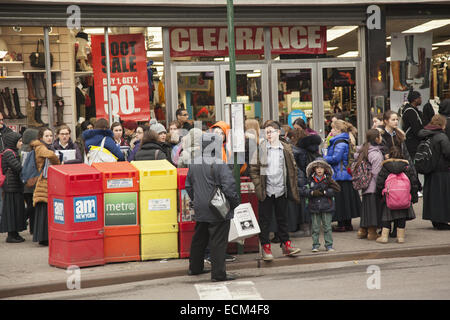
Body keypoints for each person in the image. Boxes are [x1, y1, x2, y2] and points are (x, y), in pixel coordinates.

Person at [185, 133, 240, 282]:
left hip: (200, 207)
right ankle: (218, 274)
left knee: (199, 238)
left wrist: (197, 200)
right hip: (217, 208)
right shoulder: (220, 163)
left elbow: (188, 186)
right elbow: (229, 187)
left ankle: (194, 268)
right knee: (218, 241)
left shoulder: (193, 163)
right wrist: (234, 204)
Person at [249, 121, 301, 261]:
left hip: (281, 189)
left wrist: (291, 185)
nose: (268, 134)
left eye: (271, 131)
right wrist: (259, 187)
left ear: (279, 132)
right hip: (266, 190)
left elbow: (292, 168)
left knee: (282, 219)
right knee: (265, 220)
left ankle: (286, 245)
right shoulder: (261, 148)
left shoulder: (286, 148)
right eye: (266, 132)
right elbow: (253, 169)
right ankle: (266, 247)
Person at [323, 120, 361, 232]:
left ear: (339, 130)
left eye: (333, 128)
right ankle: (347, 224)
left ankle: (342, 225)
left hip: (340, 175)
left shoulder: (339, 143)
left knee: (340, 202)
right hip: (346, 175)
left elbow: (335, 159)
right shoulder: (344, 140)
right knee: (347, 201)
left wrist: (324, 156)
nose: (331, 131)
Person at [375, 146, 418, 243]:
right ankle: (401, 237)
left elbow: (380, 183)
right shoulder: (406, 167)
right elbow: (413, 182)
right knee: (402, 217)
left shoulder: (386, 167)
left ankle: (384, 237)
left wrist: (379, 195)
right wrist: (413, 196)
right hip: (403, 197)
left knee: (387, 216)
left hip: (389, 197)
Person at [300, 158, 341, 252]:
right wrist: (312, 193)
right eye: (317, 168)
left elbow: (337, 189)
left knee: (327, 227)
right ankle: (315, 245)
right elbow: (302, 191)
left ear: (325, 169)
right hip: (314, 207)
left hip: (327, 206)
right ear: (314, 169)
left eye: (321, 168)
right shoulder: (309, 180)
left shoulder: (328, 180)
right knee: (315, 227)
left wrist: (325, 192)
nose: (319, 170)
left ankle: (329, 245)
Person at [418, 115, 450, 230]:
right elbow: (447, 152)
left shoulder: (426, 135)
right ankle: (441, 220)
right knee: (442, 196)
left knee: (432, 196)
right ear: (442, 124)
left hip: (429, 170)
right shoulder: (442, 136)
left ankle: (435, 220)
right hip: (441, 170)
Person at [31, 127, 61, 246]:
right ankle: (43, 237)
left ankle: (45, 236)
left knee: (46, 210)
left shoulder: (48, 147)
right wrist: (58, 159)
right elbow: (50, 156)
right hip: (42, 182)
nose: (49, 138)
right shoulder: (40, 147)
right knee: (43, 208)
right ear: (41, 138)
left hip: (47, 181)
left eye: (50, 136)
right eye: (47, 136)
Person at [353, 129, 384, 240]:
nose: (381, 137)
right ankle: (372, 233)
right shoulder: (375, 153)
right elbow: (376, 173)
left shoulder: (363, 150)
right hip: (373, 186)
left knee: (366, 210)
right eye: (380, 136)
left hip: (365, 186)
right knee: (373, 211)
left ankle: (362, 231)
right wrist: (381, 186)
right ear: (376, 139)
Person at [0, 132, 26, 243]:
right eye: (19, 141)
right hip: (11, 186)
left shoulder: (14, 152)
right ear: (13, 142)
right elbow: (17, 167)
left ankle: (15, 233)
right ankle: (11, 235)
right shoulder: (9, 153)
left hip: (15, 186)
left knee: (16, 210)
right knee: (11, 210)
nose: (21, 143)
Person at [19, 128, 39, 235]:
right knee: (32, 207)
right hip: (30, 183)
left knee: (30, 205)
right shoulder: (30, 150)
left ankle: (32, 228)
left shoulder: (21, 149)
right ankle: (30, 227)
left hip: (24, 183)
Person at [401, 90, 424, 158]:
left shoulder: (413, 110)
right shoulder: (410, 112)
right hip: (412, 142)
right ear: (415, 100)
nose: (421, 100)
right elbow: (416, 129)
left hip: (412, 140)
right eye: (420, 98)